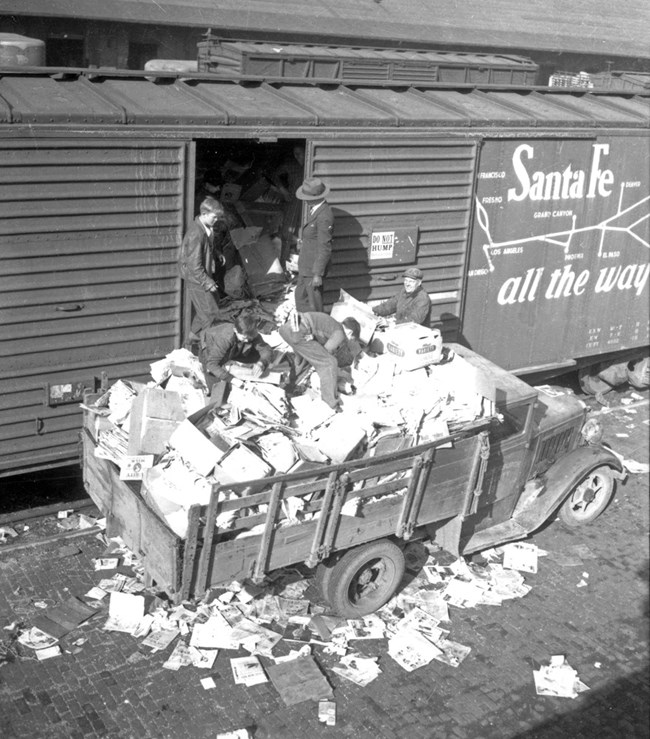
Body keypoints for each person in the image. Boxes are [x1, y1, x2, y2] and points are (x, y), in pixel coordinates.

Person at [178, 197, 234, 340]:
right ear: (204, 214)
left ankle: (192, 339)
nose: (216, 220)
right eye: (214, 217)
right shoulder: (196, 234)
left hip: (203, 275)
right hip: (197, 279)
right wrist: (208, 282)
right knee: (211, 315)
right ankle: (210, 349)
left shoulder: (206, 227)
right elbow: (194, 265)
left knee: (209, 307)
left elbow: (206, 247)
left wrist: (216, 253)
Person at [279, 312, 361, 409]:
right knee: (329, 363)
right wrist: (340, 373)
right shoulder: (340, 333)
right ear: (350, 332)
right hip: (299, 332)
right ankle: (331, 402)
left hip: (289, 329)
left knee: (304, 360)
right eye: (352, 338)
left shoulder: (332, 324)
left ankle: (288, 387)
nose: (349, 340)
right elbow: (325, 354)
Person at [295, 177, 333, 313]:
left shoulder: (324, 215)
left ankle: (318, 332)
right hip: (306, 267)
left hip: (313, 269)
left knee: (314, 305)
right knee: (300, 299)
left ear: (315, 197)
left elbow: (325, 247)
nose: (304, 200)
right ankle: (306, 329)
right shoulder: (315, 210)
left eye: (306, 197)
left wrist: (318, 274)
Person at [202, 313, 274, 384]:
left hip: (234, 345)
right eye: (244, 338)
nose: (247, 340)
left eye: (249, 338)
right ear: (235, 330)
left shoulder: (250, 332)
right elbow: (211, 364)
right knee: (213, 373)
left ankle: (234, 359)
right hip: (210, 344)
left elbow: (266, 349)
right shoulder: (224, 338)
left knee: (257, 355)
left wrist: (261, 363)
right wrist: (232, 379)